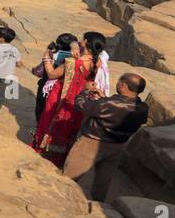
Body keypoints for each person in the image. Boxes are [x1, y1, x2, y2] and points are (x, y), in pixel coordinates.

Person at [61, 73, 149, 201]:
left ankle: (60, 201)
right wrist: (105, 99)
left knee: (70, 177)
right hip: (117, 147)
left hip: (91, 144)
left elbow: (81, 105)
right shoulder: (143, 108)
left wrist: (85, 91)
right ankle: (98, 206)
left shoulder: (109, 104)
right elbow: (119, 110)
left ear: (123, 85)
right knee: (102, 183)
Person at [32, 35, 103, 167]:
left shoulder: (72, 62)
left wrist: (46, 58)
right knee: (69, 125)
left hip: (60, 96)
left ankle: (43, 151)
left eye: (82, 39)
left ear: (86, 42)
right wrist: (75, 46)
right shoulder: (97, 62)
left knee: (50, 119)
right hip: (79, 99)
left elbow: (52, 74)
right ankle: (61, 157)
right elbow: (74, 42)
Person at [34, 33, 77, 125]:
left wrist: (46, 58)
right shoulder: (77, 58)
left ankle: (40, 130)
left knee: (42, 110)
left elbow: (51, 74)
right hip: (66, 89)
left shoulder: (52, 54)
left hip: (48, 87)